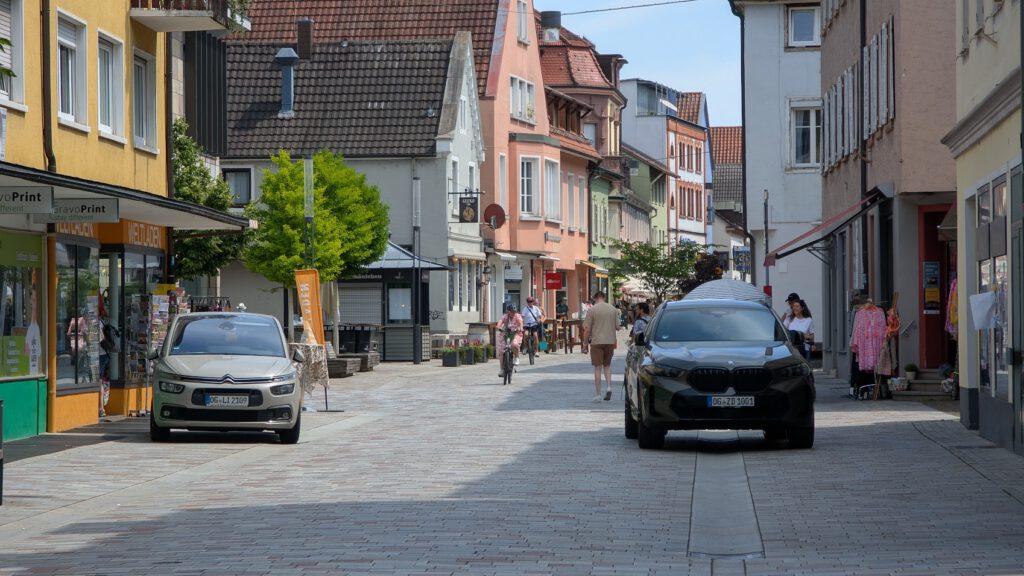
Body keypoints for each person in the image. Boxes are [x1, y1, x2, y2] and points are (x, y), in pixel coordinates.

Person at [582, 291, 619, 402]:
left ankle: (598, 395)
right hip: (610, 341)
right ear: (604, 297)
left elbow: (587, 329)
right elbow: (618, 326)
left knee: (597, 368)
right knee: (607, 366)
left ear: (595, 298)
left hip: (597, 341)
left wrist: (585, 344)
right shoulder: (613, 309)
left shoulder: (592, 310)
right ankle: (608, 387)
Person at [496, 304, 524, 378]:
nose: (513, 313)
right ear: (508, 311)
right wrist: (498, 327)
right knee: (501, 351)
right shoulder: (505, 316)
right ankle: (502, 369)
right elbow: (500, 322)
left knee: (514, 344)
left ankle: (517, 357)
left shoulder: (518, 316)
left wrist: (520, 328)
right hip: (506, 334)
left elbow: (521, 323)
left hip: (516, 333)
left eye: (514, 311)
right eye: (512, 311)